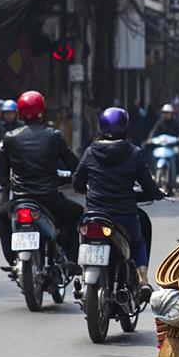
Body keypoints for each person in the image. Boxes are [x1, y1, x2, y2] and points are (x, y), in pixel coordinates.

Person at [73, 107, 165, 300]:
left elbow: (78, 183)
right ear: (125, 128)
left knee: (82, 237)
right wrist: (157, 194)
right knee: (139, 243)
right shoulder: (134, 153)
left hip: (95, 215)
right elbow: (148, 185)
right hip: (125, 215)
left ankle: (80, 275)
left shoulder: (90, 152)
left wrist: (88, 190)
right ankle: (143, 281)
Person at [0, 91, 82, 268]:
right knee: (77, 213)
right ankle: (72, 260)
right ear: (42, 111)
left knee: (1, 216)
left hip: (21, 200)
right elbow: (74, 164)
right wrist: (80, 179)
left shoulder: (10, 138)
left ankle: (13, 260)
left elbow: (2, 174)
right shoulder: (54, 135)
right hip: (49, 199)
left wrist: (10, 184)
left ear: (19, 112)